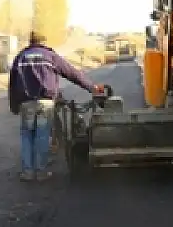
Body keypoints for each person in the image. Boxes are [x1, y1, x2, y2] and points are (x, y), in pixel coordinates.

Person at [9, 31, 105, 182]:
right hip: (45, 102)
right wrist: (92, 87)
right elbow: (73, 73)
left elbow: (13, 83)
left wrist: (14, 105)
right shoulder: (50, 56)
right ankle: (41, 172)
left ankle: (27, 172)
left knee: (27, 136)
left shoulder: (20, 57)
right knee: (42, 135)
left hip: (26, 102)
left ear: (31, 41)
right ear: (44, 42)